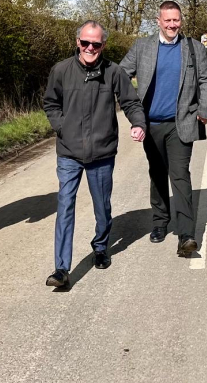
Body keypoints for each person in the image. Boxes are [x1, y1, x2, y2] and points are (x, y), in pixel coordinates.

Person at [43, 21, 147, 289]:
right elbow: (51, 103)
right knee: (65, 205)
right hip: (69, 152)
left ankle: (101, 246)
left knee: (102, 205)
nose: (90, 48)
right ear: (77, 42)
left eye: (96, 44)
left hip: (102, 152)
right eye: (85, 42)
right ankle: (61, 268)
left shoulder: (114, 72)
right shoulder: (61, 70)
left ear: (103, 45)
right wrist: (61, 126)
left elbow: (131, 102)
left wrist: (138, 123)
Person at [120, 0, 207, 258]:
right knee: (157, 173)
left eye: (176, 20)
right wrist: (130, 108)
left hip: (181, 123)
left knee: (180, 175)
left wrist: (206, 109)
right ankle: (160, 222)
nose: (172, 25)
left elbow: (206, 79)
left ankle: (186, 234)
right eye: (168, 20)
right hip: (151, 124)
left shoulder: (194, 48)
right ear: (158, 20)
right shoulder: (142, 47)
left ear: (180, 20)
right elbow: (120, 75)